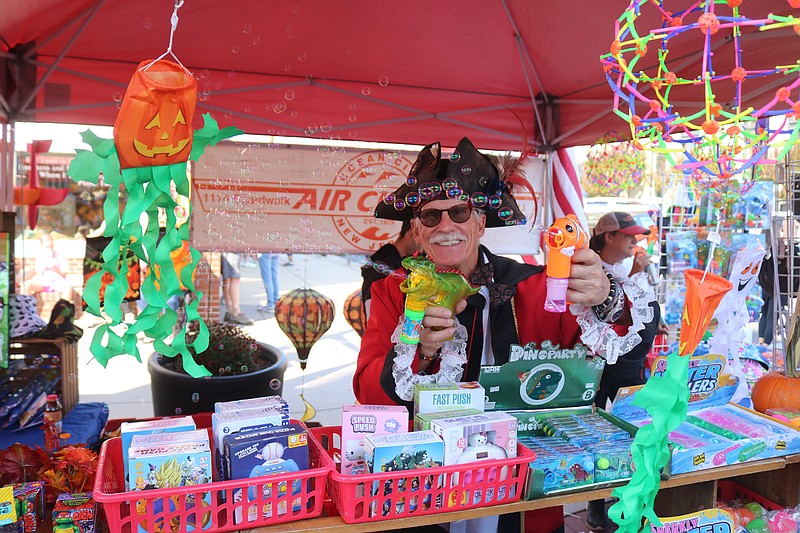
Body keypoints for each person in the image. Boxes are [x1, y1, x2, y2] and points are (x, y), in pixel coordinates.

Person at [354, 138, 652, 533]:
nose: (446, 226)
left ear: (480, 222)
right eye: (430, 217)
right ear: (417, 230)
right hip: (428, 482)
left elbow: (615, 357)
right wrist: (419, 351)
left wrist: (605, 295)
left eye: (459, 212)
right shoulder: (393, 292)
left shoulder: (536, 287)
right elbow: (367, 391)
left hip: (523, 476)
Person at [586, 212, 663, 531]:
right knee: (593, 432)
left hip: (631, 364)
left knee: (637, 429)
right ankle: (595, 504)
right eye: (628, 235)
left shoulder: (630, 270)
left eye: (636, 236)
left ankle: (630, 502)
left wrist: (654, 325)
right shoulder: (592, 271)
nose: (635, 241)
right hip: (600, 365)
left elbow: (640, 309)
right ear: (609, 237)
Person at [361, 220, 421, 320]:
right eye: (421, 240)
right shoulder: (383, 266)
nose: (423, 249)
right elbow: (373, 314)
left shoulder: (390, 261)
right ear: (412, 233)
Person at [25, 232, 69, 298]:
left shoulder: (60, 256)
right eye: (46, 241)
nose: (49, 242)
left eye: (50, 240)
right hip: (43, 282)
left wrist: (56, 269)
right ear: (42, 245)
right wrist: (44, 264)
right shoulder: (40, 256)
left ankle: (63, 307)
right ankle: (27, 306)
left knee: (69, 287)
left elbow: (64, 274)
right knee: (26, 285)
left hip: (57, 281)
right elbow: (38, 272)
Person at [221, 252, 253, 325]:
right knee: (234, 279)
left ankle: (231, 310)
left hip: (228, 250)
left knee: (228, 280)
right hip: (231, 251)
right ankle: (235, 311)